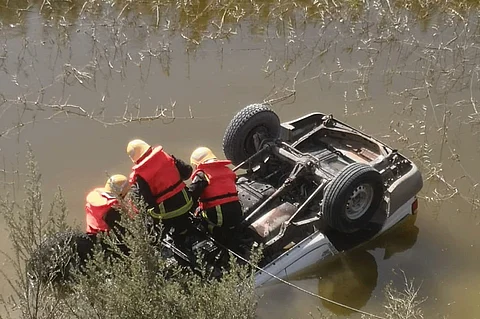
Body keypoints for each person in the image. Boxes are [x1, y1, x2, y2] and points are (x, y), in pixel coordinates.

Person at [126, 139, 194, 249]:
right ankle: (184, 230)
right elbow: (187, 173)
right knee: (182, 222)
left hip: (166, 213)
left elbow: (145, 202)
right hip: (186, 201)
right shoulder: (165, 156)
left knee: (153, 216)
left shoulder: (139, 175)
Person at [188, 146, 243, 249]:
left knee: (199, 216)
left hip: (219, 215)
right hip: (237, 211)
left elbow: (192, 194)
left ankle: (215, 235)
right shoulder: (227, 170)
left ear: (197, 164)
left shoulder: (202, 174)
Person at [85, 174, 131, 254]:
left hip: (90, 234)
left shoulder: (96, 199)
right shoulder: (113, 209)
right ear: (122, 194)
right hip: (105, 241)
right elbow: (121, 234)